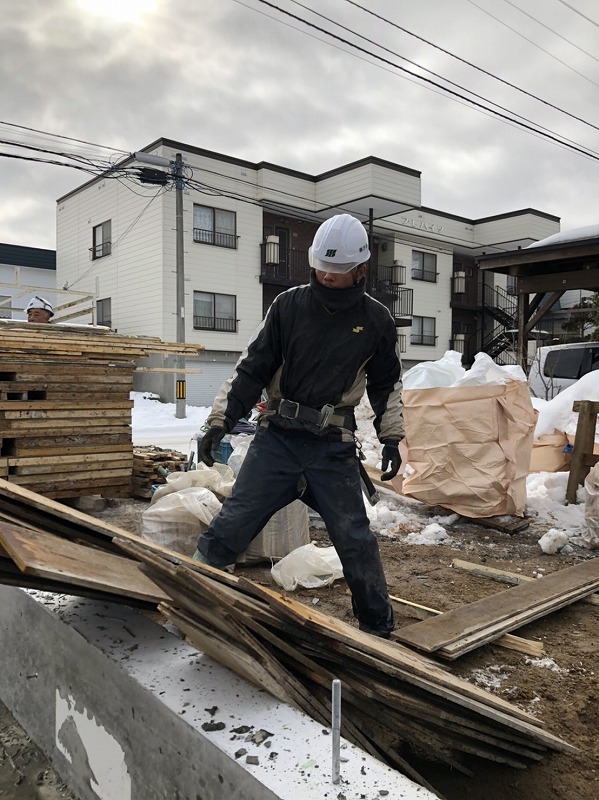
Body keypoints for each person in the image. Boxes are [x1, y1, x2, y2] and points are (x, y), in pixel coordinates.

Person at [195, 213, 403, 638]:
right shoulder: (288, 306)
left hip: (332, 446)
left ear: (361, 269)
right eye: (322, 269)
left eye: (338, 272)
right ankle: (193, 598)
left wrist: (392, 437)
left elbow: (386, 384)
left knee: (354, 538)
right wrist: (219, 423)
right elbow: (251, 368)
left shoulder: (377, 320)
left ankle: (378, 631)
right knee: (233, 522)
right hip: (278, 440)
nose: (327, 277)